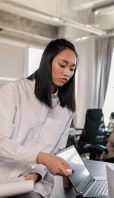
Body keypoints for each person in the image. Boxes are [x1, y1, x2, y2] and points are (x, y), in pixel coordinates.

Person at [0, 38, 78, 198]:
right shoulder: (13, 91)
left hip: (36, 186)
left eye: (72, 68)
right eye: (62, 65)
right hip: (3, 181)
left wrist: (36, 174)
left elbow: (55, 151)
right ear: (47, 62)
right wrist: (40, 157)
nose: (67, 73)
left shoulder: (67, 109)